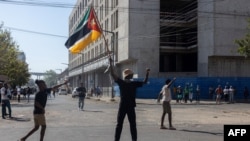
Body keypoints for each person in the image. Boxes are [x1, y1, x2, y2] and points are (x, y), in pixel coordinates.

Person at [109, 57, 150, 141]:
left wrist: (110, 63)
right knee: (132, 125)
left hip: (123, 106)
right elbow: (145, 82)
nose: (132, 75)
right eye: (132, 75)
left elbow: (113, 74)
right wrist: (147, 73)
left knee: (119, 124)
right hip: (131, 106)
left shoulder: (122, 82)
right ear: (130, 75)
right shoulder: (133, 83)